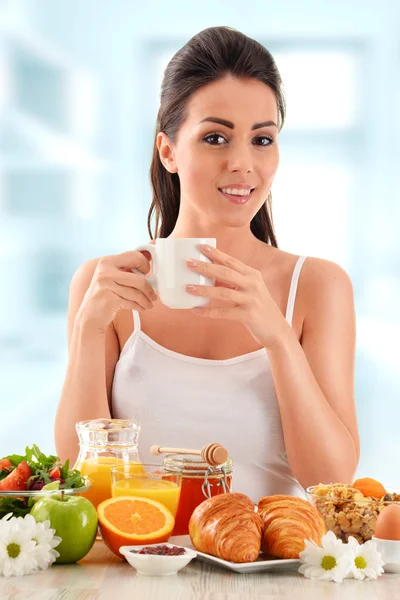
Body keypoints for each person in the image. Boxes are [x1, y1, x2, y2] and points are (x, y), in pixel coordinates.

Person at [55, 26, 360, 502]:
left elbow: (330, 482)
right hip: (139, 564)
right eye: (216, 137)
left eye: (262, 140)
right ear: (169, 151)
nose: (243, 164)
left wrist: (278, 337)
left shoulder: (319, 286)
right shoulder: (108, 285)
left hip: (267, 568)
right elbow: (78, 478)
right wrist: (89, 330)